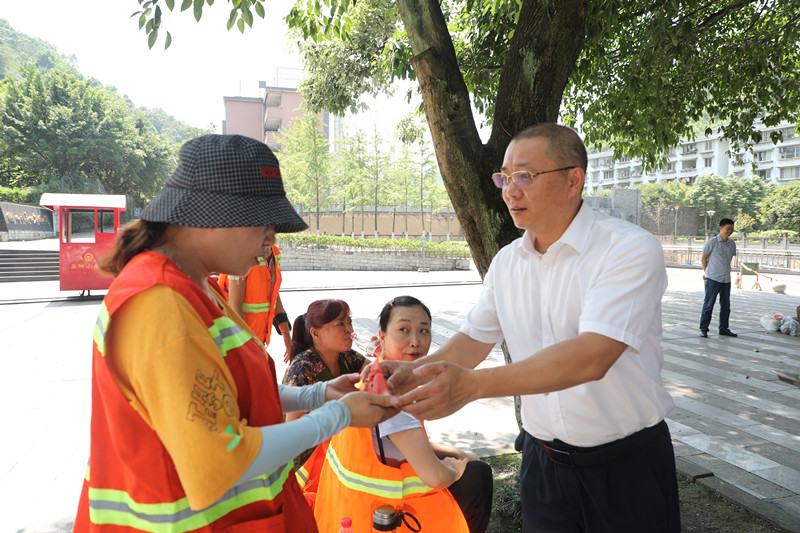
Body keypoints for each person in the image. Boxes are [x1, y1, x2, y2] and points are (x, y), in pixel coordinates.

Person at [73, 134, 395, 532]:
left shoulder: (195, 287)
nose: (270, 240)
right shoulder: (160, 303)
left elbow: (226, 393)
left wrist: (318, 394)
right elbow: (221, 459)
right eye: (264, 224)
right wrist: (339, 415)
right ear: (212, 216)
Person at [377, 124, 681, 533]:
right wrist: (408, 374)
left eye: (525, 175)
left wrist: (472, 386)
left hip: (626, 468)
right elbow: (472, 340)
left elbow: (592, 356)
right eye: (504, 177)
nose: (510, 190)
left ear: (573, 180)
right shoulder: (507, 262)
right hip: (543, 467)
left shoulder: (627, 248)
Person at [299, 296, 491, 533]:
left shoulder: (375, 374)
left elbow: (400, 445)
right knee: (476, 475)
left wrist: (456, 453)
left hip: (342, 512)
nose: (415, 342)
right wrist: (455, 468)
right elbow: (436, 477)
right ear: (381, 337)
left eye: (423, 331)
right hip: (380, 517)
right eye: (404, 330)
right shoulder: (389, 395)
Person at [282, 299, 368, 422]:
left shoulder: (347, 356)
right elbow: (293, 425)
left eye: (349, 322)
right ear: (316, 334)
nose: (350, 329)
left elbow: (378, 373)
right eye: (340, 324)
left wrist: (385, 350)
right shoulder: (303, 367)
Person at [218, 245, 294, 361]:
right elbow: (234, 307)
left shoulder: (274, 252)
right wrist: (249, 344)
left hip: (257, 340)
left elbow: (273, 293)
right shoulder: (241, 256)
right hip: (237, 342)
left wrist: (286, 334)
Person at [700, 218, 737, 338]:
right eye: (728, 228)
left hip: (726, 279)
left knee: (726, 306)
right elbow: (703, 259)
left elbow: (730, 259)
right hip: (713, 278)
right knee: (708, 305)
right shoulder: (711, 242)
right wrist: (707, 273)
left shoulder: (732, 244)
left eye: (732, 229)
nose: (730, 231)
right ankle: (704, 329)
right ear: (721, 228)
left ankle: (723, 328)